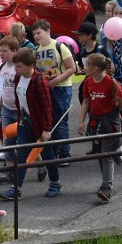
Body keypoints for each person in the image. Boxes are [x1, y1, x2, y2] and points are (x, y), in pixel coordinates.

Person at [0, 48, 62, 201]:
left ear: (30, 65)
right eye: (15, 66)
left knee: (47, 155)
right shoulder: (18, 78)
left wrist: (47, 129)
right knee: (21, 156)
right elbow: (19, 101)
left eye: (19, 66)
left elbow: (47, 106)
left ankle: (55, 183)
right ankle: (16, 188)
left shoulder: (39, 81)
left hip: (40, 125)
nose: (16, 69)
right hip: (25, 124)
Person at [78, 53, 122, 202]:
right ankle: (116, 152)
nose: (84, 68)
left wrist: (113, 114)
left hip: (110, 123)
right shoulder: (88, 82)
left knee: (106, 156)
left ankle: (106, 187)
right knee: (100, 153)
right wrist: (81, 121)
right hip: (95, 123)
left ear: (96, 68)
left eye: (87, 66)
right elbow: (86, 102)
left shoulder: (111, 83)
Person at [32, 19, 75, 162]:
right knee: (50, 120)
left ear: (48, 31)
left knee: (61, 120)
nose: (37, 36)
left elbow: (72, 68)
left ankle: (65, 153)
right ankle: (55, 150)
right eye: (34, 34)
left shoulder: (59, 46)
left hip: (61, 88)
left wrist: (56, 80)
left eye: (39, 33)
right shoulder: (36, 51)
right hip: (46, 89)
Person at [0, 36, 20, 183]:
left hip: (19, 110)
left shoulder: (18, 67)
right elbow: (0, 89)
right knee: (8, 141)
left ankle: (40, 164)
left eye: (5, 51)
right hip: (6, 108)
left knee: (25, 140)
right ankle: (10, 173)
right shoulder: (1, 67)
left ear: (14, 51)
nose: (1, 54)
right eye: (0, 51)